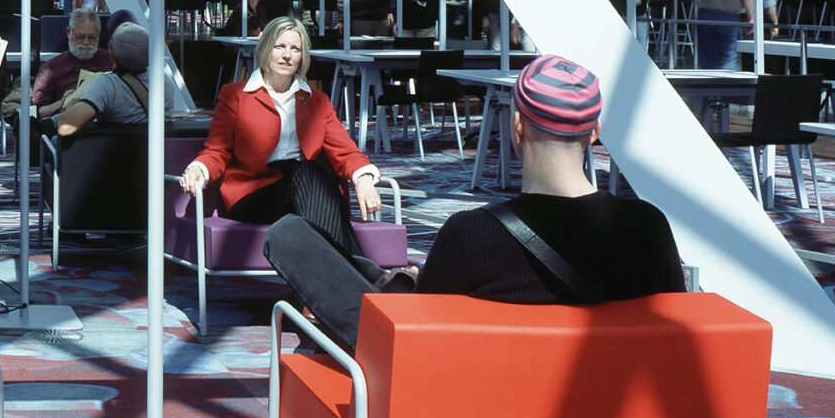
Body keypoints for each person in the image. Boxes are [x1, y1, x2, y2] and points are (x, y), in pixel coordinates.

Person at [257, 54, 684, 357]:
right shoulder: (647, 228)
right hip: (596, 397)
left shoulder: (473, 235)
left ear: (517, 127)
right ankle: (397, 278)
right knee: (382, 274)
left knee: (290, 234)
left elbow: (419, 340)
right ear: (594, 132)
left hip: (462, 392)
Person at [178, 17, 387, 275]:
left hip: (307, 192)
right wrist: (199, 168)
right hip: (256, 195)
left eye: (295, 49)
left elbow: (345, 151)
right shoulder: (235, 96)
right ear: (266, 48)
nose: (287, 55)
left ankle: (345, 285)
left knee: (313, 180)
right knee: (313, 176)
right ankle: (370, 276)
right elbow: (217, 150)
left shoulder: (317, 101)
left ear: (302, 57)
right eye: (280, 46)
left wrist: (363, 179)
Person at [56, 20, 153, 133]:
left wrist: (70, 108)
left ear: (110, 51)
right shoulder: (163, 79)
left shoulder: (107, 84)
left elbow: (65, 125)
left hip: (114, 144)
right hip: (155, 143)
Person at [24, 7, 114, 124]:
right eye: (80, 37)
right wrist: (62, 103)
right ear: (68, 32)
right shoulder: (51, 68)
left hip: (106, 125)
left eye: (92, 37)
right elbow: (37, 112)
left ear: (99, 34)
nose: (86, 42)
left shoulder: (110, 60)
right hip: (66, 127)